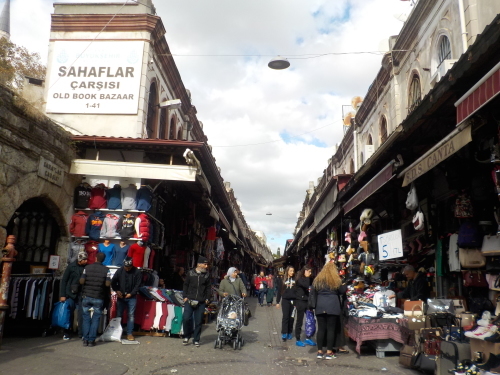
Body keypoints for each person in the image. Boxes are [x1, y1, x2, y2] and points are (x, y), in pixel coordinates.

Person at [308, 261, 347, 360]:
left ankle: (320, 352)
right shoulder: (335, 280)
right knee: (331, 329)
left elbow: (313, 292)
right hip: (332, 306)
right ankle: (329, 352)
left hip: (320, 306)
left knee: (321, 329)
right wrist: (344, 284)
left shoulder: (318, 280)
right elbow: (342, 291)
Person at [80, 252, 111, 347]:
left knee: (86, 318)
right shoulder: (106, 270)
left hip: (86, 296)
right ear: (104, 259)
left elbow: (81, 281)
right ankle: (91, 341)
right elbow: (107, 284)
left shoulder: (87, 268)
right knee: (96, 318)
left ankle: (85, 339)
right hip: (98, 297)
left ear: (95, 258)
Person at [182, 255, 211, 347]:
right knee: (186, 318)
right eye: (205, 264)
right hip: (190, 300)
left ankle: (196, 339)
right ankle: (186, 336)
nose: (206, 266)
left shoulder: (206, 275)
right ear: (199, 264)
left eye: (207, 265)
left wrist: (207, 298)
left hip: (201, 301)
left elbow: (208, 288)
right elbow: (186, 285)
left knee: (198, 321)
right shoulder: (190, 273)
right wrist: (185, 296)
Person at [111, 258, 142, 341]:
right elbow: (113, 282)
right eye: (126, 267)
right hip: (121, 296)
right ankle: (117, 332)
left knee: (131, 315)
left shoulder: (137, 272)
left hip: (132, 296)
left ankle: (129, 333)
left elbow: (138, 285)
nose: (127, 269)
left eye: (129, 267)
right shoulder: (120, 271)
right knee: (119, 314)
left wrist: (131, 293)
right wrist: (117, 290)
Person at [60, 251, 88, 340]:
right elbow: (64, 280)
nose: (86, 261)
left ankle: (81, 333)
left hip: (81, 294)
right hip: (70, 294)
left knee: (81, 314)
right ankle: (67, 332)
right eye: (84, 259)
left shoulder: (86, 267)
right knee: (69, 314)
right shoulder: (71, 267)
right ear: (80, 260)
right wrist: (62, 294)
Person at [295, 265, 316, 347]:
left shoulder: (309, 279)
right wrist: (307, 277)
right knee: (299, 321)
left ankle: (308, 338)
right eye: (308, 271)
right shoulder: (299, 280)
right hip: (300, 301)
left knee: (310, 320)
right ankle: (298, 339)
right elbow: (307, 285)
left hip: (307, 302)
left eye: (310, 272)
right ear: (304, 271)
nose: (310, 273)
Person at [276, 266, 296, 342]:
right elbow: (279, 291)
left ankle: (290, 332)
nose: (292, 272)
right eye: (291, 271)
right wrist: (277, 302)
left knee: (292, 317)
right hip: (285, 301)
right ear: (287, 271)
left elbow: (297, 291)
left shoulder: (295, 280)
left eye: (293, 271)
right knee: (285, 317)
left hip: (293, 301)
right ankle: (284, 332)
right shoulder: (283, 280)